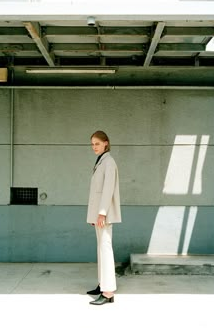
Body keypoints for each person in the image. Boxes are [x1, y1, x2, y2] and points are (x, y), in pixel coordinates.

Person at [86, 130, 122, 305]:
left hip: (104, 214)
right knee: (101, 248)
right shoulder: (101, 161)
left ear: (106, 143)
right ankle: (103, 285)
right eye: (92, 144)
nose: (94, 147)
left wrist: (101, 213)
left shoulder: (109, 162)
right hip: (99, 214)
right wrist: (95, 214)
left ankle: (108, 292)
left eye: (97, 143)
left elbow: (107, 190)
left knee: (105, 248)